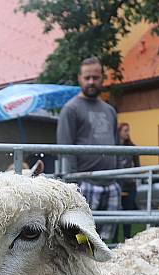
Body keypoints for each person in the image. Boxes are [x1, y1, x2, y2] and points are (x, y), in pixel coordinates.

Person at [57, 56, 120, 240]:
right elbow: (65, 148)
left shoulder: (110, 111)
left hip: (111, 183)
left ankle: (105, 269)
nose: (91, 82)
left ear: (102, 78)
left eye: (95, 77)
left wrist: (119, 177)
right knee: (82, 239)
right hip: (85, 183)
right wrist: (74, 186)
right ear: (79, 78)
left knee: (107, 239)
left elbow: (115, 144)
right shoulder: (71, 109)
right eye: (87, 78)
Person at [116, 122, 140, 238]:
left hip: (130, 184)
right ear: (119, 132)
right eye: (125, 130)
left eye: (128, 130)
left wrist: (133, 176)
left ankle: (127, 238)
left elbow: (137, 166)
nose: (127, 133)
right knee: (114, 213)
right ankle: (113, 240)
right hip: (116, 184)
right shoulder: (113, 147)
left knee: (128, 212)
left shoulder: (132, 147)